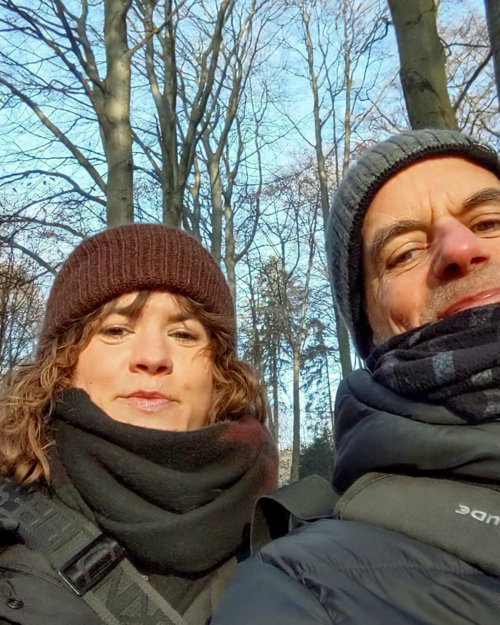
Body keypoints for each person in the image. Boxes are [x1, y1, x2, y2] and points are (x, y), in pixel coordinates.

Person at [211, 128, 500, 625]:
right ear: (370, 327)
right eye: (404, 253)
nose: (460, 247)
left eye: (490, 221)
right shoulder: (304, 590)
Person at [0, 224, 278, 625]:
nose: (152, 356)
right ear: (63, 363)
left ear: (220, 374)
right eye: (116, 330)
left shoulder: (306, 554)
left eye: (184, 334)